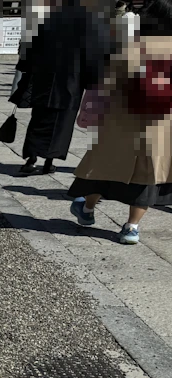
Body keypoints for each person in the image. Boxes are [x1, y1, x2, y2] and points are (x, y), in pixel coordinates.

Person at [68, 0, 172, 245]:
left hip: (122, 118)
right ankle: (131, 227)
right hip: (162, 121)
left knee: (104, 166)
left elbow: (109, 84)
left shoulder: (131, 47)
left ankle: (87, 209)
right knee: (149, 172)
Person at [15, 0, 109, 175]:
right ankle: (49, 161)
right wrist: (94, 80)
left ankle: (31, 159)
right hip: (71, 78)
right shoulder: (91, 20)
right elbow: (94, 53)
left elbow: (31, 46)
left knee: (39, 117)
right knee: (61, 122)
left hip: (44, 74)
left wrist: (26, 67)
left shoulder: (49, 17)